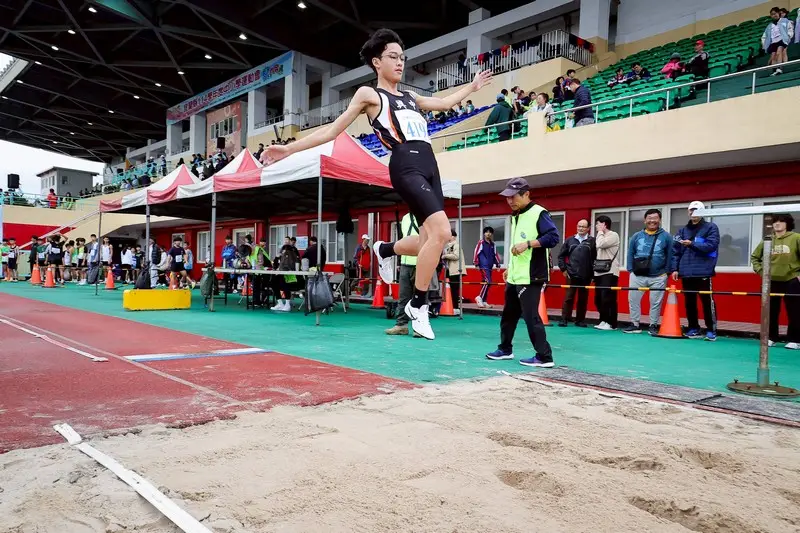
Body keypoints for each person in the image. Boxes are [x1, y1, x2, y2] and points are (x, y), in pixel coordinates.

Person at [263, 29, 492, 340]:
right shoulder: (369, 95)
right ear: (376, 62)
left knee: (430, 242)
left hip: (431, 166)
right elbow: (332, 131)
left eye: (403, 58)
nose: (400, 63)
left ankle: (385, 249)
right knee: (442, 232)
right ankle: (418, 305)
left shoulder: (410, 97)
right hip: (405, 163)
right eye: (393, 57)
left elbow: (442, 102)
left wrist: (472, 87)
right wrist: (289, 149)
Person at [485, 178, 559, 367]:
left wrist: (528, 244)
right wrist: (510, 268)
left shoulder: (539, 213)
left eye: (514, 196)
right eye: (507, 197)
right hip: (515, 275)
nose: (510, 201)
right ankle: (505, 349)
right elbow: (516, 247)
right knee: (508, 315)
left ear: (526, 194)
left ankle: (544, 357)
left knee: (531, 317)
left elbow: (553, 238)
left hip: (532, 275)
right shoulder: (516, 215)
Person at [671, 201, 720, 341]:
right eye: (691, 210)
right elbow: (675, 251)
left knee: (707, 301)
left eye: (696, 210)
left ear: (702, 212)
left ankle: (711, 329)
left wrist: (692, 244)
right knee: (689, 302)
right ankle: (693, 328)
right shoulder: (682, 231)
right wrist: (674, 269)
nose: (693, 213)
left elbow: (711, 246)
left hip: (704, 271)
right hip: (686, 272)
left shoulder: (711, 227)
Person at [751, 213, 800, 349]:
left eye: (781, 221)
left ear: (787, 224)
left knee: (795, 311)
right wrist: (762, 272)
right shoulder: (767, 240)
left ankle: (795, 340)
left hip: (792, 279)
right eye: (775, 222)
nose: (777, 224)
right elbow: (755, 257)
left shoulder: (796, 238)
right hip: (771, 280)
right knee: (770, 311)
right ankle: (771, 337)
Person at [624, 209, 674, 336]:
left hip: (658, 276)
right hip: (637, 275)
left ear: (660, 220)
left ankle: (653, 325)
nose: (652, 221)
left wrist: (666, 272)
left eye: (655, 218)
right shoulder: (636, 236)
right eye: (649, 218)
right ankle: (634, 324)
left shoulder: (667, 237)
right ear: (645, 220)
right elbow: (630, 253)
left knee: (656, 303)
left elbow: (670, 255)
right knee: (633, 300)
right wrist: (630, 270)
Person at [557, 219, 595, 327]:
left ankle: (580, 320)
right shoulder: (569, 240)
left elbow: (595, 258)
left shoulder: (592, 241)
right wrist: (564, 269)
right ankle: (564, 319)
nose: (581, 228)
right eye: (579, 226)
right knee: (568, 298)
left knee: (583, 299)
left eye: (583, 226)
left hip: (586, 275)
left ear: (588, 228)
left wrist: (593, 274)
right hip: (571, 274)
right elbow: (561, 256)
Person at [593, 215, 621, 331]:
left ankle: (611, 323)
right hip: (599, 271)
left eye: (598, 223)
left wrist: (600, 232)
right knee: (598, 298)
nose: (596, 226)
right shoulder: (599, 236)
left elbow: (601, 244)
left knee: (608, 298)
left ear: (604, 224)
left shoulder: (613, 235)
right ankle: (603, 320)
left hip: (610, 271)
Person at [473, 226, 501, 308]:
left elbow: (495, 255)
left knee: (486, 283)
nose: (488, 234)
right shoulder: (481, 243)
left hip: (490, 266)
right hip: (483, 266)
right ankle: (479, 298)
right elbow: (476, 252)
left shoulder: (493, 244)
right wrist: (476, 263)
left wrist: (498, 264)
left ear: (492, 234)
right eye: (486, 232)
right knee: (487, 281)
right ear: (484, 234)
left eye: (490, 232)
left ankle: (484, 301)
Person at [762, 7, 793, 76]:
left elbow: (790, 29)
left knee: (779, 51)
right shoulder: (769, 26)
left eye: (775, 13)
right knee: (773, 56)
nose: (774, 15)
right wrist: (765, 44)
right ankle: (774, 70)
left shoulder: (785, 21)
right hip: (773, 42)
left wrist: (788, 37)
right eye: (772, 14)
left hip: (782, 40)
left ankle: (779, 68)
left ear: (778, 13)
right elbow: (764, 36)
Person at [442, 229, 465, 315]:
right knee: (450, 290)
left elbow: (456, 256)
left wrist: (445, 256)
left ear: (454, 237)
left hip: (456, 271)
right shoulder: (449, 246)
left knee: (454, 290)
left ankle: (456, 308)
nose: (448, 237)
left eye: (450, 235)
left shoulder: (456, 245)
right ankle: (452, 307)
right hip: (450, 270)